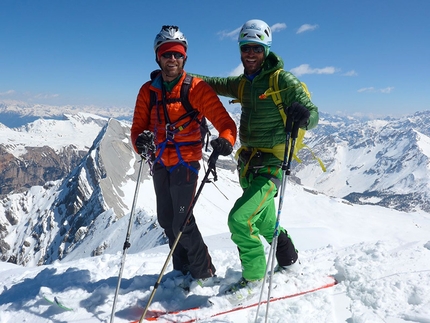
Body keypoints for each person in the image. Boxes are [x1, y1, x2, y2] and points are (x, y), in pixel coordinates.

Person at [192, 19, 319, 293]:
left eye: (257, 49)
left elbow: (313, 113)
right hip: (248, 165)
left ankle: (254, 279)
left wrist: (304, 116)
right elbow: (212, 83)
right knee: (264, 221)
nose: (251, 54)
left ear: (266, 50)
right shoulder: (242, 84)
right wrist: (182, 76)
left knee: (239, 220)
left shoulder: (282, 80)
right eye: (246, 48)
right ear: (240, 49)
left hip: (272, 166)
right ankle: (289, 259)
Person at [130, 25, 237, 287]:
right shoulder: (148, 91)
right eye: (167, 54)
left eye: (177, 54)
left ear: (185, 57)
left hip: (185, 163)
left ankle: (203, 272)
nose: (172, 60)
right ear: (158, 57)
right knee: (167, 219)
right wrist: (139, 141)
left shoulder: (196, 88)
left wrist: (226, 140)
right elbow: (137, 129)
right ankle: (182, 269)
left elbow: (226, 123)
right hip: (159, 163)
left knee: (182, 220)